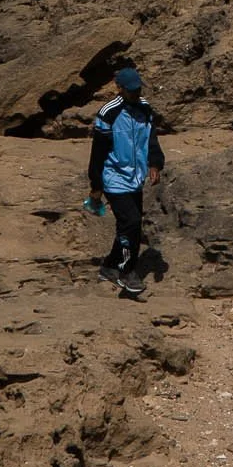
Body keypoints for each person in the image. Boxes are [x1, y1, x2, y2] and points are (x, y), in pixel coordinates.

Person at [85, 63, 164, 299]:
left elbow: (152, 140)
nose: (136, 94)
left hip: (135, 177)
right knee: (130, 222)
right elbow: (98, 152)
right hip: (113, 177)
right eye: (131, 90)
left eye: (138, 89)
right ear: (119, 88)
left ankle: (109, 266)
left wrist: (155, 164)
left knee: (131, 226)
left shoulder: (145, 110)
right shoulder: (108, 113)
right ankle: (127, 273)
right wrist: (96, 187)